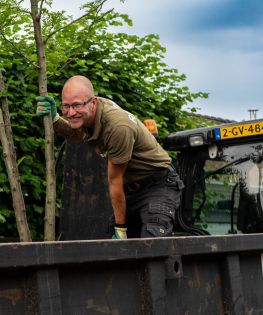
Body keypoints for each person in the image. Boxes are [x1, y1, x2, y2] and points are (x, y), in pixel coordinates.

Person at [36, 76, 184, 239]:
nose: (71, 112)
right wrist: (55, 118)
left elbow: (115, 180)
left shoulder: (118, 127)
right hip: (130, 188)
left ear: (93, 102)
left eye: (77, 105)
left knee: (152, 243)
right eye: (66, 106)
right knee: (118, 251)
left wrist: (120, 229)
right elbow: (76, 135)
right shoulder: (89, 113)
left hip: (158, 185)